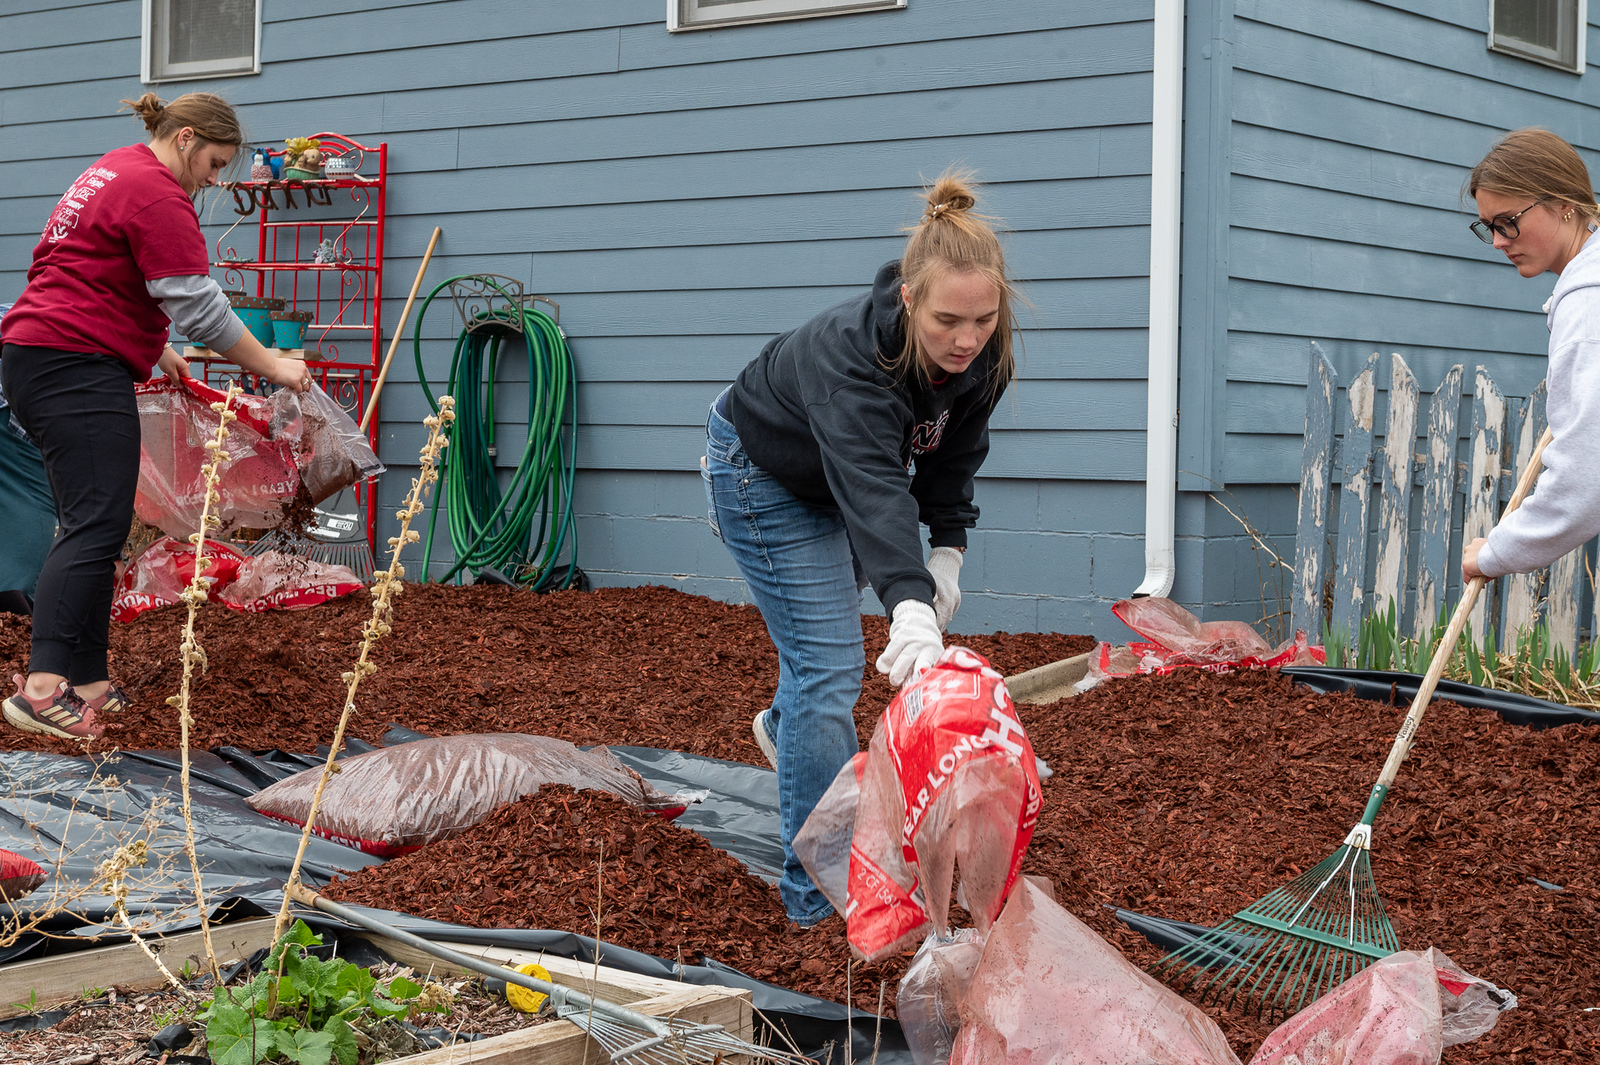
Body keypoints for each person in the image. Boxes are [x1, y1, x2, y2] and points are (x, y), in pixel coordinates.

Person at [702, 171, 1019, 926]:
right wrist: (909, 604)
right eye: (948, 320)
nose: (967, 339)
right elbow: (875, 489)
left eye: (983, 320)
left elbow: (949, 457)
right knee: (831, 667)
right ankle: (817, 899)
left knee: (820, 668)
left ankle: (790, 732)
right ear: (909, 300)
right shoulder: (852, 360)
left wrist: (947, 552)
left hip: (836, 479)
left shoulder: (980, 354)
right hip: (762, 474)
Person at [0, 92, 310, 740]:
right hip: (72, 365)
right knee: (94, 521)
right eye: (215, 163)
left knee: (97, 520)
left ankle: (85, 679)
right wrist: (273, 364)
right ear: (189, 138)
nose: (214, 179)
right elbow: (197, 302)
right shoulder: (156, 191)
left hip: (46, 353)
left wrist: (153, 346)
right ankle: (41, 689)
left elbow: (82, 271)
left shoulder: (114, 170)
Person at [1461, 128, 1600, 585]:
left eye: (1508, 220)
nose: (1499, 240)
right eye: (1488, 227)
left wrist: (1496, 551)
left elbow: (1587, 475)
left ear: (1565, 203)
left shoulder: (1586, 310)